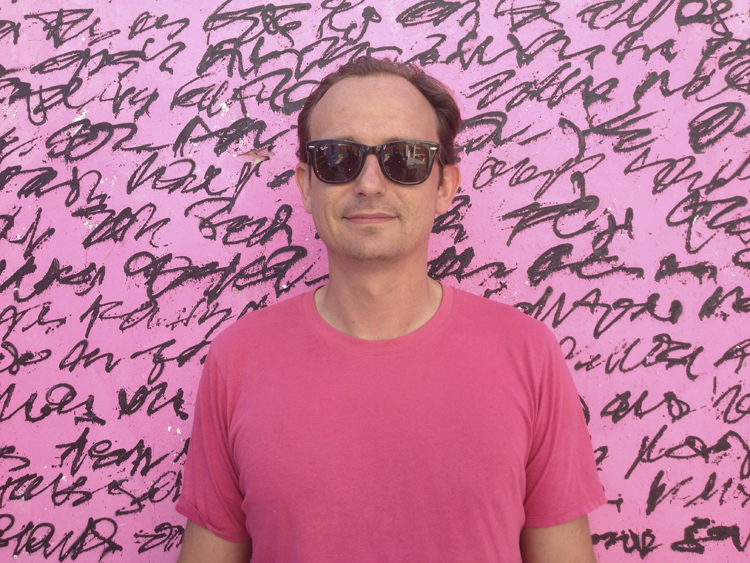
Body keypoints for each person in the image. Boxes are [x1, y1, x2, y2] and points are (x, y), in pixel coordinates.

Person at [175, 56, 606, 563]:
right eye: (339, 157)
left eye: (404, 158)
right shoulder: (237, 359)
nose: (370, 184)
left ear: (444, 186)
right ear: (308, 185)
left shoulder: (528, 353)